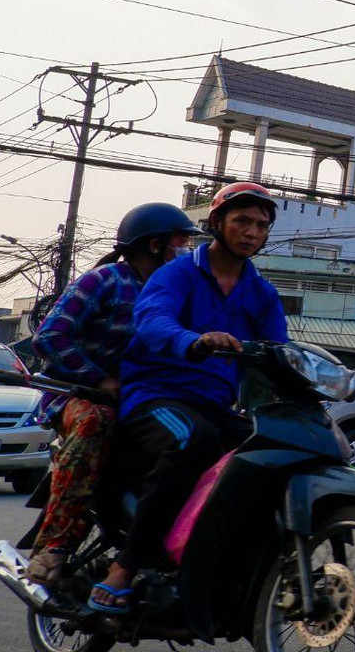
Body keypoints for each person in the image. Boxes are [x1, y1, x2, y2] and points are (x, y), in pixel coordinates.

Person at [89, 182, 288, 614]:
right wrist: (193, 340)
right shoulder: (177, 274)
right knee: (191, 439)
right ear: (216, 223)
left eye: (261, 225)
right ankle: (125, 567)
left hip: (215, 404)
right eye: (242, 221)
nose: (252, 231)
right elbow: (153, 320)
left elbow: (279, 352)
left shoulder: (263, 293)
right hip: (155, 396)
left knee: (275, 451)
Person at [24, 202, 200, 586]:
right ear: (154, 245)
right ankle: (53, 545)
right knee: (94, 422)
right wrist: (99, 379)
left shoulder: (179, 292)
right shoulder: (104, 280)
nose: (187, 250)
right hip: (75, 395)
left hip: (138, 398)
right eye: (181, 242)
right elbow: (50, 337)